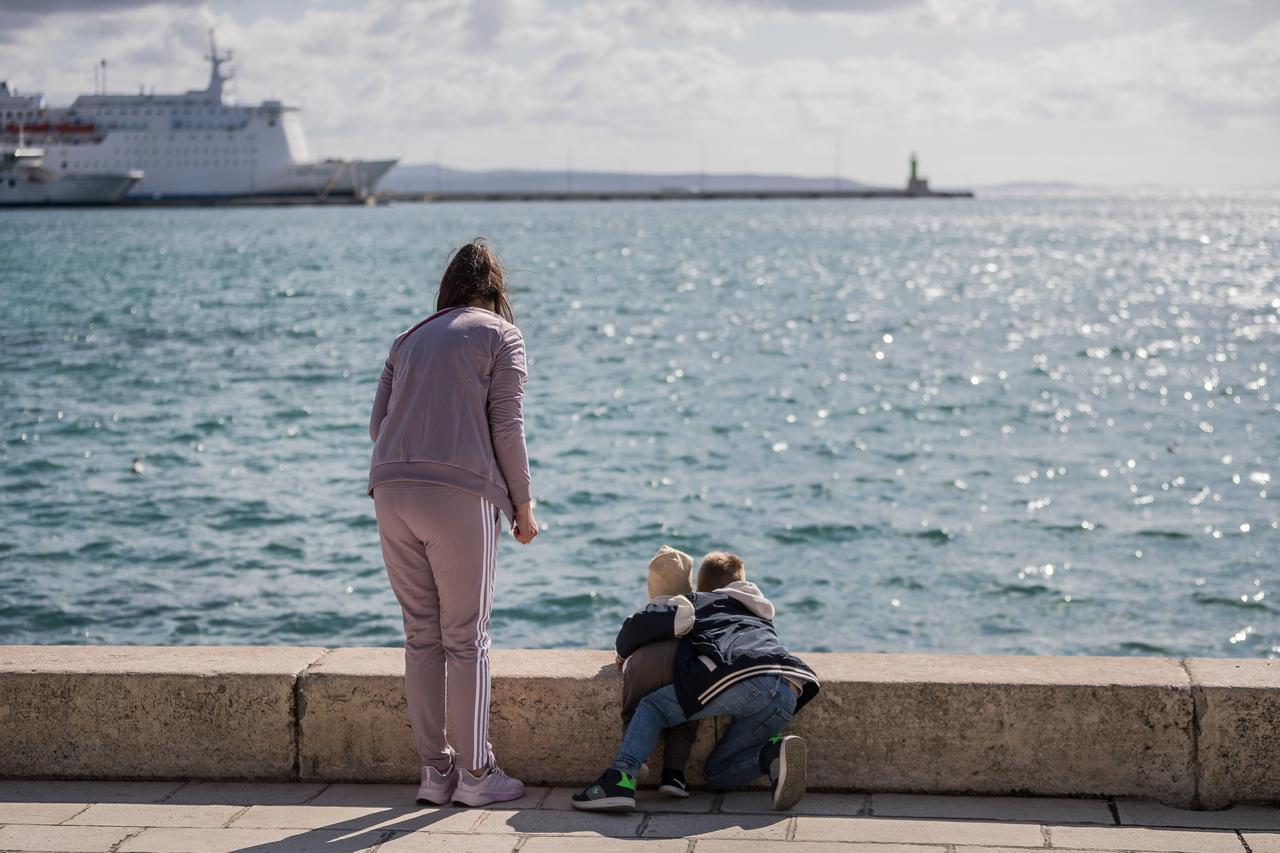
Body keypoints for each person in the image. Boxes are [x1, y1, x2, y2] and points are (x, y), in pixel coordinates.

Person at [369, 239, 538, 808]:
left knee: (422, 632)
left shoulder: (408, 337)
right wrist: (523, 505)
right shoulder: (501, 334)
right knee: (466, 639)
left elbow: (378, 425)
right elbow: (507, 428)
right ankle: (476, 774)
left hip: (390, 488)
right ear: (495, 292)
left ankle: (434, 773)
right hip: (458, 495)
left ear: (446, 290)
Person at [575, 552, 819, 812]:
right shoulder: (759, 611)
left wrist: (622, 654)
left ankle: (620, 779)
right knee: (718, 773)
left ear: (702, 586)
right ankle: (772, 752)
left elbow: (641, 626)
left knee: (653, 707)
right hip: (789, 685)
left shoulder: (701, 600)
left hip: (743, 677)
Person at [617, 545, 700, 798]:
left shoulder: (644, 614)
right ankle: (674, 776)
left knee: (632, 711)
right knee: (686, 717)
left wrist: (621, 658)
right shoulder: (694, 614)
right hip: (682, 665)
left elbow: (622, 646)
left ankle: (633, 763)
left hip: (643, 667)